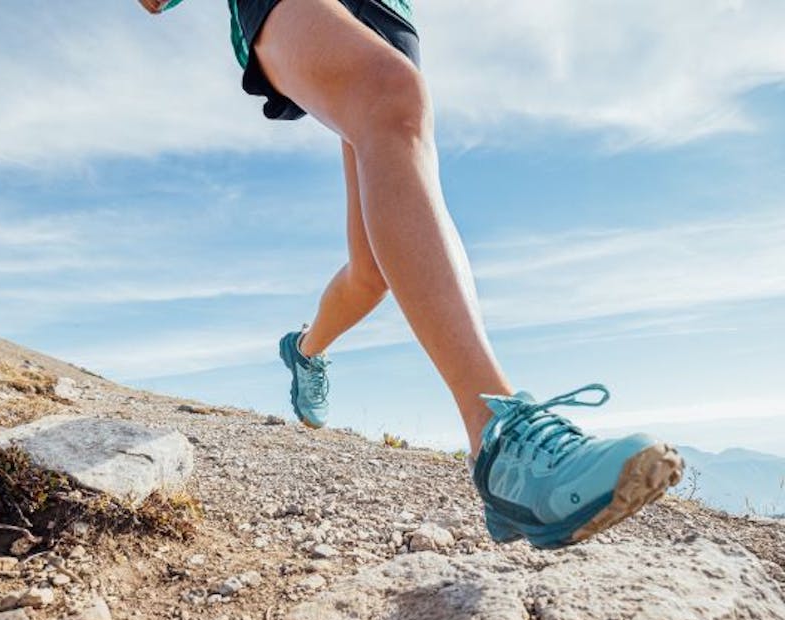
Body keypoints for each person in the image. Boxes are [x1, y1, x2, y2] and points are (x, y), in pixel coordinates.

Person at [138, 0, 684, 549]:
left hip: (385, 10)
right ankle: (500, 441)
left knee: (374, 270)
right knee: (389, 93)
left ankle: (305, 350)